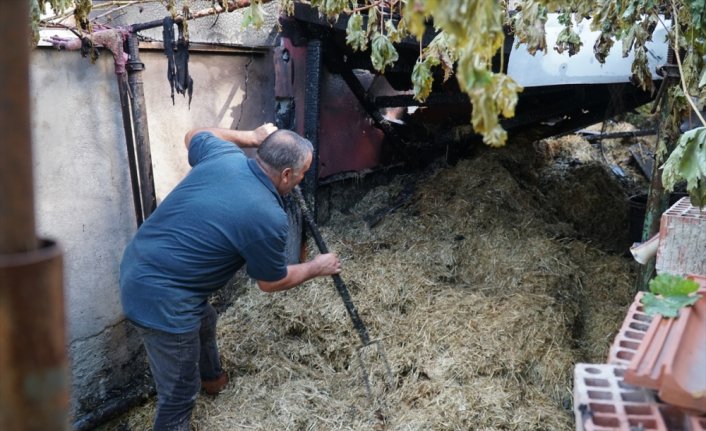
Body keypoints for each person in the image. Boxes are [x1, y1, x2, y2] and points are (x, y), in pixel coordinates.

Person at [119, 124, 341, 430]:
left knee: (205, 317)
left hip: (139, 262)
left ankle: (214, 380)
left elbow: (192, 135)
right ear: (287, 174)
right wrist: (317, 266)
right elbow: (271, 282)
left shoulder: (224, 155)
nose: (303, 178)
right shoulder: (267, 215)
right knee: (180, 393)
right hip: (160, 298)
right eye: (303, 172)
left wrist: (249, 137)